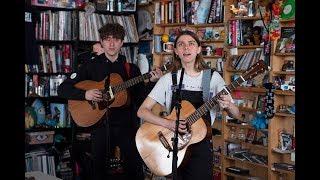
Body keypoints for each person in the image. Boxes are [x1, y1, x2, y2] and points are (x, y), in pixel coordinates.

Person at [58, 23, 162, 180]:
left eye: (116, 39)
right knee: (98, 171)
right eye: (107, 40)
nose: (111, 44)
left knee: (133, 169)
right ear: (101, 42)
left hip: (127, 127)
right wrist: (85, 94)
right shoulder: (89, 67)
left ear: (121, 42)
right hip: (100, 127)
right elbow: (63, 89)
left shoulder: (131, 69)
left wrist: (153, 82)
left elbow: (142, 100)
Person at [137, 30, 240, 180]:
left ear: (198, 49)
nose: (186, 48)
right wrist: (169, 124)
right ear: (176, 51)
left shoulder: (212, 77)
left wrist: (229, 105)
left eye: (191, 44)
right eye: (181, 44)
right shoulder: (168, 79)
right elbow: (142, 111)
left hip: (201, 147)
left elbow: (236, 114)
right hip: (173, 147)